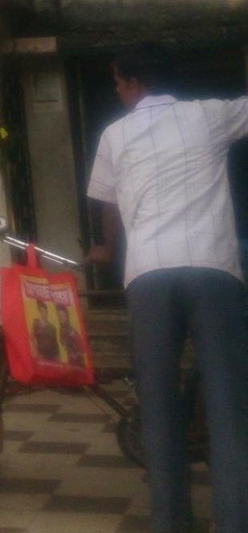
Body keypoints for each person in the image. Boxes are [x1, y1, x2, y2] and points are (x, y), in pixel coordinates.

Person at [86, 44, 248, 533]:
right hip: (213, 270)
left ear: (134, 82)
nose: (116, 90)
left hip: (150, 276)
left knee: (157, 407)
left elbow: (108, 205)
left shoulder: (115, 135)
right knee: (229, 409)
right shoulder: (210, 116)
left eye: (117, 81)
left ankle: (170, 521)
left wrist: (107, 251)